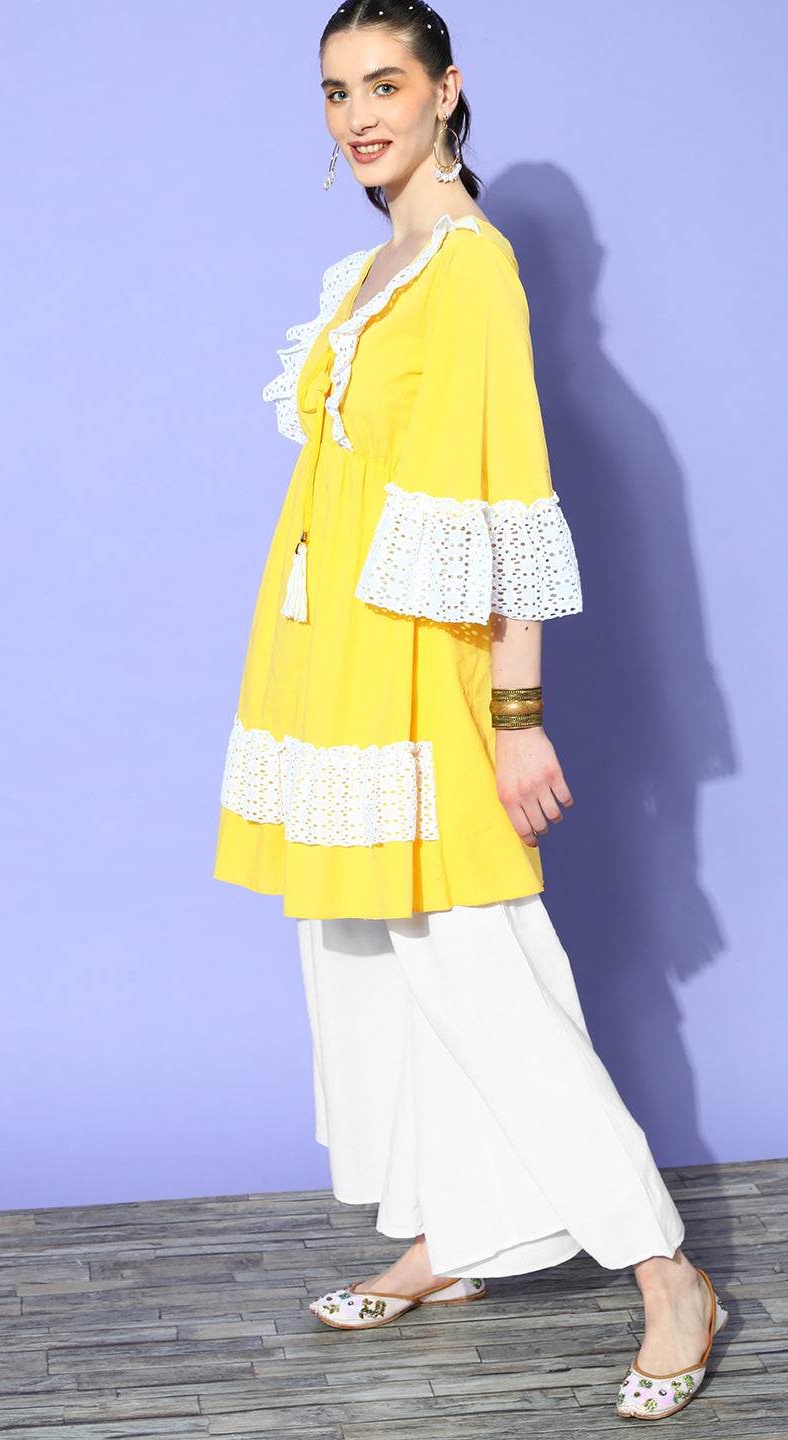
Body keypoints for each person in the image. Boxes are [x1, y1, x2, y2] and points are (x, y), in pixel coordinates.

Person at [213, 0, 730, 1421]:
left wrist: (515, 714)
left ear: (447, 92)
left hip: (425, 680)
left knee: (485, 977)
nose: (357, 115)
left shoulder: (471, 270)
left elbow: (505, 502)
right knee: (371, 966)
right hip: (330, 668)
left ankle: (665, 1273)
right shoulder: (371, 269)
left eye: (385, 84)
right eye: (335, 91)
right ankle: (459, 1235)